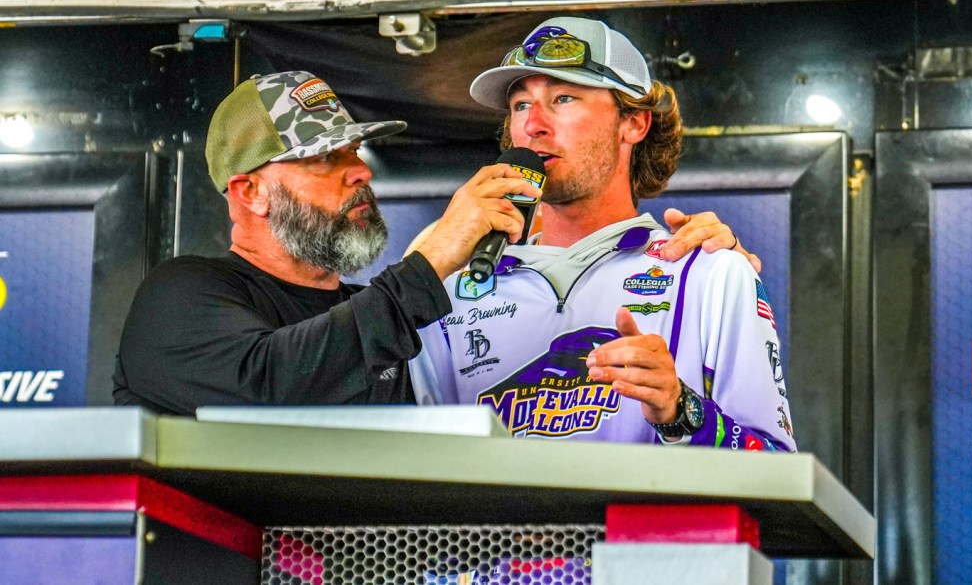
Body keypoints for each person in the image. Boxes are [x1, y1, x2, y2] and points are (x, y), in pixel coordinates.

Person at [112, 70, 741, 416]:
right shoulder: (182, 295)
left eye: (355, 152)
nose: (359, 171)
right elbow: (273, 389)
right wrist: (438, 254)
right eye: (326, 159)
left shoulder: (381, 322)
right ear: (250, 192)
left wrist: (709, 265)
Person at [411, 17, 795, 451]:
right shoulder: (451, 291)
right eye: (520, 105)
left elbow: (775, 466)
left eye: (563, 98)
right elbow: (415, 468)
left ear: (634, 124)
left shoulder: (713, 272)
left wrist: (682, 411)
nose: (533, 124)